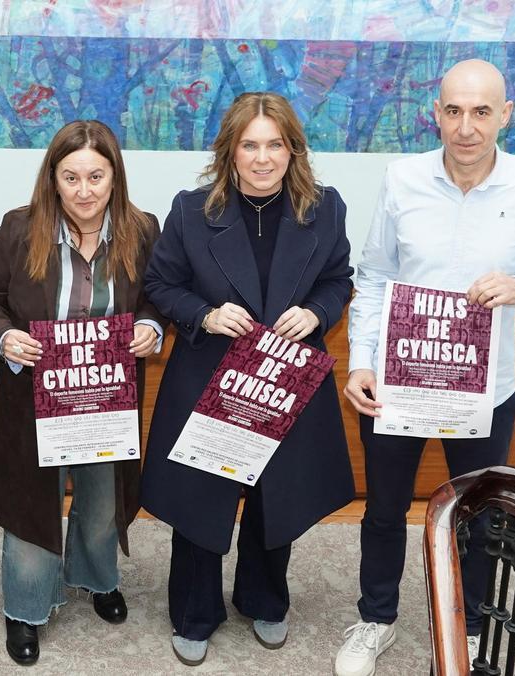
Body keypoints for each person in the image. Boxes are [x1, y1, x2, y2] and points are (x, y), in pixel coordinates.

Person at [335, 59, 515, 676]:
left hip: (484, 392)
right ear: (437, 113)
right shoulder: (401, 180)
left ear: (505, 115)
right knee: (385, 509)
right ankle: (376, 620)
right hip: (400, 384)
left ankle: (469, 629)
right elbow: (373, 276)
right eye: (454, 111)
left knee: (478, 515)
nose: (466, 127)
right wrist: (361, 362)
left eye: (481, 112)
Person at [140, 92, 355, 666]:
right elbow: (160, 286)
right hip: (209, 373)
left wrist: (317, 314)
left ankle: (264, 597)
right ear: (230, 152)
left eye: (275, 145)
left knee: (274, 496)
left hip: (286, 380)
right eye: (250, 145)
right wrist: (205, 315)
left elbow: (339, 279)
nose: (263, 159)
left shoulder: (325, 208)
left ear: (293, 150)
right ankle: (194, 612)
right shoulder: (191, 210)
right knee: (200, 501)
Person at [0, 120, 165, 665]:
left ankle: (96, 578)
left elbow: (157, 297)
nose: (84, 190)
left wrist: (152, 326)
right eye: (71, 177)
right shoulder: (18, 228)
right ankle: (27, 608)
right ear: (52, 179)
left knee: (103, 501)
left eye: (96, 176)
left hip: (108, 398)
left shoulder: (142, 230)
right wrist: (6, 337)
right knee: (34, 503)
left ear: (114, 177)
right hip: (33, 397)